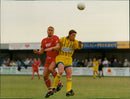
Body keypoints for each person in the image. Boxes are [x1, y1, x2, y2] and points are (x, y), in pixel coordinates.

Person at [46, 29, 82, 97]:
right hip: (61, 57)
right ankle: (53, 87)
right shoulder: (62, 39)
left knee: (69, 75)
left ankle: (68, 91)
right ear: (69, 35)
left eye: (75, 35)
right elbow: (58, 45)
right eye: (73, 35)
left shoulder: (75, 42)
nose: (74, 37)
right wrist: (53, 48)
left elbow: (79, 47)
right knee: (61, 71)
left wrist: (80, 45)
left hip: (68, 59)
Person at [33, 26, 62, 98]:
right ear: (47, 31)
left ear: (53, 32)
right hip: (48, 59)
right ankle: (50, 90)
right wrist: (37, 52)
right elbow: (42, 51)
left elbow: (58, 46)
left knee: (51, 68)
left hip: (55, 58)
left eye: (51, 30)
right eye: (49, 30)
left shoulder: (55, 38)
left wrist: (53, 48)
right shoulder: (44, 40)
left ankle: (59, 83)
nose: (50, 31)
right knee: (45, 76)